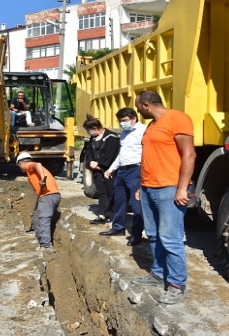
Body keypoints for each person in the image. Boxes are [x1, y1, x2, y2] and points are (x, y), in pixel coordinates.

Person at [131, 90, 196, 305]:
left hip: (169, 189)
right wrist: (142, 185)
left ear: (146, 105)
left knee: (170, 237)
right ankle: (158, 274)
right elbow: (149, 158)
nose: (138, 111)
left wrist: (182, 188)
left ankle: (177, 284)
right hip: (149, 188)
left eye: (139, 107)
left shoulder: (177, 118)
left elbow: (189, 154)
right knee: (154, 234)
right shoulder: (151, 127)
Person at [101, 108, 146, 246]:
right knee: (120, 202)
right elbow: (122, 153)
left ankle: (136, 234)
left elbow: (147, 153)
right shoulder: (124, 133)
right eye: (120, 121)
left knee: (137, 205)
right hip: (122, 170)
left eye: (125, 121)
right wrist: (112, 168)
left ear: (134, 119)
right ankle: (118, 227)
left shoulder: (143, 131)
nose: (123, 124)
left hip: (135, 170)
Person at [16, 152, 60, 252]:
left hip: (49, 195)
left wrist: (42, 179)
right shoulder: (30, 173)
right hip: (47, 196)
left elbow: (37, 164)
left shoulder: (28, 165)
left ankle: (47, 246)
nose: (20, 168)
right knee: (36, 217)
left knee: (43, 218)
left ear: (21, 163)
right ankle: (37, 235)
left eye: (19, 166)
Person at [83, 114, 120, 224]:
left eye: (89, 130)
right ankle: (102, 215)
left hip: (109, 170)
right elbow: (88, 152)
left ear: (95, 128)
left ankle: (115, 215)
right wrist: (91, 163)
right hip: (97, 171)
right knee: (102, 192)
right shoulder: (93, 139)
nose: (89, 133)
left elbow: (111, 154)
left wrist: (100, 164)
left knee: (112, 192)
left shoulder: (111, 138)